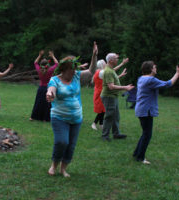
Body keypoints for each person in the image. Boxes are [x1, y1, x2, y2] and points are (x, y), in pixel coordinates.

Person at [46, 41, 98, 177]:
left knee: (71, 145)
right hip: (59, 117)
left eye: (74, 68)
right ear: (63, 69)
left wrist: (94, 55)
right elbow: (51, 90)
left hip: (76, 118)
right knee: (62, 141)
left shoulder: (76, 76)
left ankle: (63, 168)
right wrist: (50, 94)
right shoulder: (55, 80)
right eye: (71, 68)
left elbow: (92, 71)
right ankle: (53, 165)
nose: (74, 71)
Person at [133, 61, 179, 164]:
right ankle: (140, 157)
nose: (156, 68)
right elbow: (168, 84)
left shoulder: (141, 78)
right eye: (154, 67)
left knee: (145, 133)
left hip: (141, 109)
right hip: (146, 111)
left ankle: (137, 154)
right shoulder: (150, 80)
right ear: (151, 69)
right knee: (147, 134)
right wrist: (178, 73)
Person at [101, 53, 134, 141]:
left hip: (113, 96)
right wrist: (125, 87)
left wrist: (122, 64)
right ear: (111, 60)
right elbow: (111, 87)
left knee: (116, 116)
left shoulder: (110, 69)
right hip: (109, 96)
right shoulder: (108, 71)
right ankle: (105, 136)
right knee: (109, 116)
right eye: (116, 58)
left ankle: (116, 134)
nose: (117, 60)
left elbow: (113, 71)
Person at [91, 58, 129, 130]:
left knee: (103, 109)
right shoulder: (101, 72)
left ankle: (101, 124)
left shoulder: (100, 72)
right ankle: (94, 123)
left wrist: (120, 75)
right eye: (105, 63)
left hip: (100, 92)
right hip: (100, 93)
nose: (106, 64)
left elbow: (110, 78)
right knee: (102, 110)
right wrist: (122, 64)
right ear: (102, 65)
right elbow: (111, 72)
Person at [30, 50, 58, 121]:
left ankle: (34, 117)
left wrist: (39, 55)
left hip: (41, 88)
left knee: (38, 103)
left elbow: (35, 62)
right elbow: (57, 64)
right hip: (49, 88)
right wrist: (52, 56)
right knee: (48, 103)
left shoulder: (39, 70)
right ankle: (46, 118)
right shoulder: (50, 70)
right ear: (48, 64)